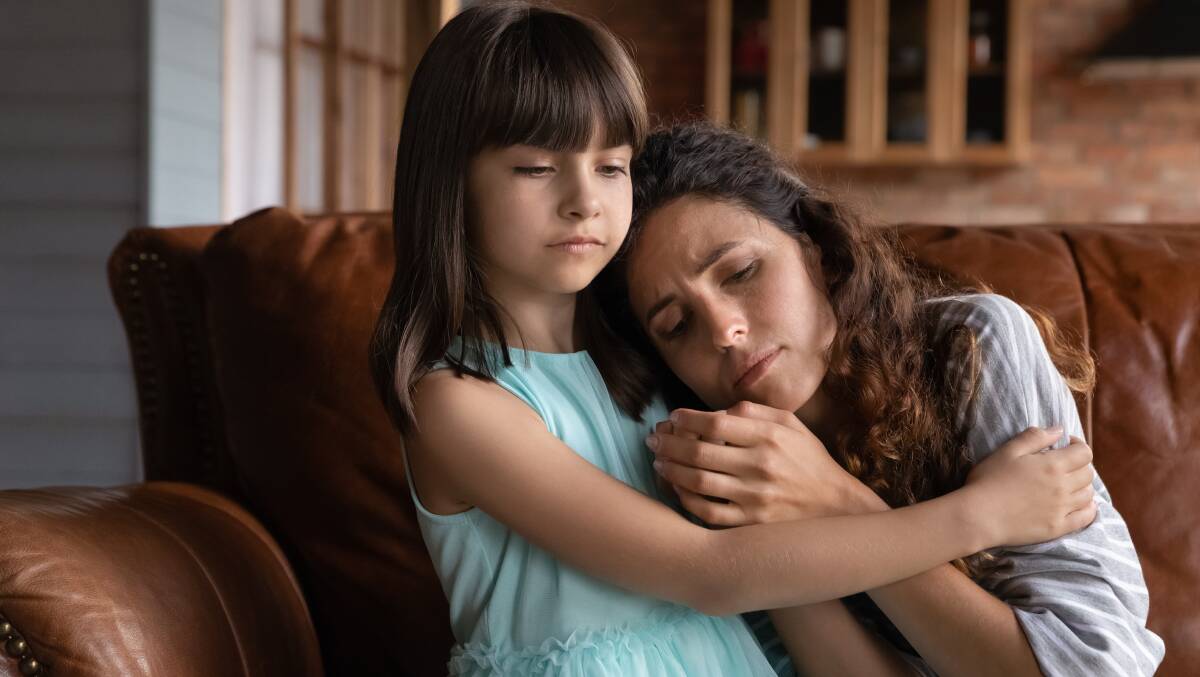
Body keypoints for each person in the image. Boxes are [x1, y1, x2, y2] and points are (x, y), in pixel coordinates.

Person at [368, 3, 1097, 675]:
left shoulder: (661, 377)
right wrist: (980, 516)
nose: (585, 199)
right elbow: (712, 569)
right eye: (536, 166)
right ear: (450, 183)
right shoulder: (456, 403)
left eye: (611, 166)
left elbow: (793, 604)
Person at [597, 120, 1165, 676]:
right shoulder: (725, 471)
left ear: (814, 248)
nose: (723, 330)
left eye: (741, 272)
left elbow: (1095, 666)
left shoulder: (971, 347)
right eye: (676, 325)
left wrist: (832, 501)